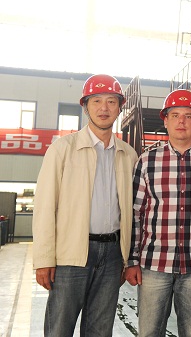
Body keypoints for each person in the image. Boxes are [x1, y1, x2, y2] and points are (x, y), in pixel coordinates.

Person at [33, 74, 138, 336]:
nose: (104, 108)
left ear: (119, 107)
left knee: (100, 330)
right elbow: (44, 206)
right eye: (96, 101)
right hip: (71, 254)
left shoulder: (128, 155)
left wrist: (127, 258)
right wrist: (44, 259)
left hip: (113, 255)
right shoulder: (63, 149)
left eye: (111, 101)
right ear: (85, 106)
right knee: (59, 328)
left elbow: (134, 213)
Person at [125, 89, 191, 336]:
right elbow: (136, 215)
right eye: (175, 115)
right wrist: (132, 261)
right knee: (149, 332)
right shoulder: (147, 161)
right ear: (166, 121)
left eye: (188, 116)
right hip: (154, 265)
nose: (182, 121)